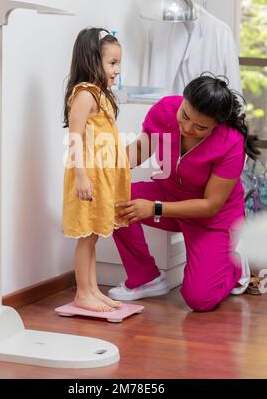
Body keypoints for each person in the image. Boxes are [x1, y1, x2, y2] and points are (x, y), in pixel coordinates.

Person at [109, 73, 260, 312]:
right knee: (112, 198)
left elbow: (211, 205)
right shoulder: (166, 109)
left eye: (201, 127)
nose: (188, 128)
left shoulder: (230, 142)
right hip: (169, 194)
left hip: (211, 218)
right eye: (185, 116)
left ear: (216, 124)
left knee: (199, 299)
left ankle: (236, 267)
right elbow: (141, 149)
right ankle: (145, 277)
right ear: (183, 102)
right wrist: (105, 171)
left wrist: (155, 207)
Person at [62, 27, 131, 312]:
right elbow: (75, 137)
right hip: (86, 176)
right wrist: (81, 176)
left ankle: (92, 290)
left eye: (118, 63)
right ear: (92, 61)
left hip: (100, 178)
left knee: (93, 235)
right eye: (112, 63)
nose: (117, 70)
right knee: (85, 237)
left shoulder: (100, 94)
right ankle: (83, 293)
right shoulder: (84, 95)